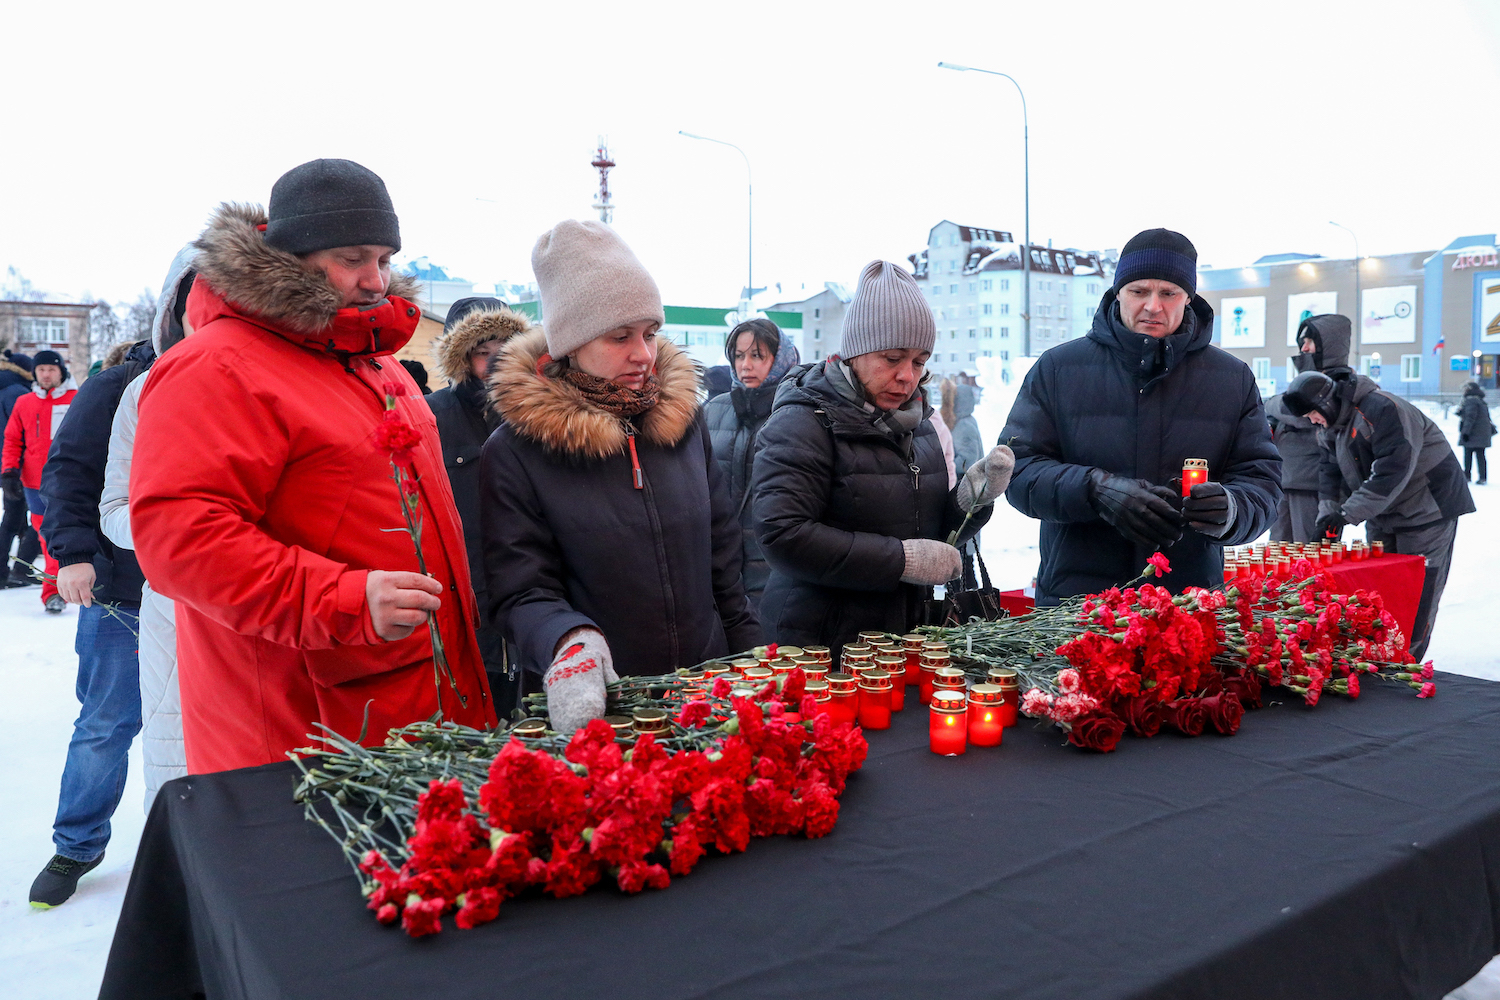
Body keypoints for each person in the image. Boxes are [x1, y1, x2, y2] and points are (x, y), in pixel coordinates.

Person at [130, 159, 494, 775]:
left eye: (383, 258)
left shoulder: (380, 367)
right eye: (353, 258)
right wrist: (342, 600)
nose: (376, 280)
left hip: (411, 704)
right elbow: (180, 539)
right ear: (292, 254)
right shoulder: (217, 367)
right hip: (306, 730)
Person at [481, 220, 759, 733]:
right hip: (602, 709)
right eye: (620, 336)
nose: (644, 354)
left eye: (650, 333)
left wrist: (751, 662)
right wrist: (570, 644)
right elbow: (520, 590)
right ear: (571, 342)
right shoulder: (518, 451)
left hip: (705, 692)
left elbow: (722, 558)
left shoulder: (683, 422)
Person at [1001, 229, 1281, 603]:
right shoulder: (1058, 368)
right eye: (1139, 291)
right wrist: (1095, 490)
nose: (1153, 306)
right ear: (1118, 293)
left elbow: (1261, 482)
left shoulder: (1232, 379)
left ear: (1188, 298)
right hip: (1076, 604)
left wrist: (1231, 508)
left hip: (1187, 608)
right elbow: (1017, 471)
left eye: (1168, 293)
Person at [26, 258, 186, 907]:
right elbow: (68, 468)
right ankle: (75, 845)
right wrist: (72, 554)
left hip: (197, 596)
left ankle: (198, 850)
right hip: (122, 589)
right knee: (108, 721)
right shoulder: (118, 384)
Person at [751, 260, 1008, 654]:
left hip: (903, 638)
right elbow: (783, 535)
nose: (908, 376)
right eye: (893, 358)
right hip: (819, 646)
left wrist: (969, 502)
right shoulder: (803, 421)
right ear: (855, 352)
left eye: (919, 362)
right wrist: (900, 560)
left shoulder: (920, 424)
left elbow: (928, 531)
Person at [98, 248, 199, 810]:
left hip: (278, 614)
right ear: (175, 312)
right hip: (175, 617)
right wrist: (182, 532)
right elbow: (113, 507)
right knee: (183, 784)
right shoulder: (143, 393)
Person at [1285, 369, 1474, 659]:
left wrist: (1346, 514)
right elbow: (1329, 474)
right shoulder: (1329, 426)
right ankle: (1382, 654)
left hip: (1427, 508)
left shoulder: (1382, 408)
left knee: (1418, 591)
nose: (1311, 421)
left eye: (1312, 413)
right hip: (1383, 511)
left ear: (1326, 403)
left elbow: (1393, 470)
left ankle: (1408, 661)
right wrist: (1328, 517)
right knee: (1384, 585)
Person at [426, 295, 532, 715]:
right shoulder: (432, 415)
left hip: (525, 578)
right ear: (460, 357)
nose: (492, 363)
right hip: (464, 588)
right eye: (481, 353)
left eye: (502, 351)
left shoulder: (530, 412)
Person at [704, 317, 801, 617]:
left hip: (777, 568)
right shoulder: (712, 411)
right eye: (739, 355)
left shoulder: (797, 412)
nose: (745, 365)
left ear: (780, 357)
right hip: (720, 566)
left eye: (757, 355)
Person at [2, 348, 77, 612]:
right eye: (41, 369)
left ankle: (83, 584)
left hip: (70, 480)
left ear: (61, 371)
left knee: (74, 534)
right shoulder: (25, 402)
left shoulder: (76, 399)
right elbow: (12, 439)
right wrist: (9, 471)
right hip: (34, 483)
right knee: (47, 538)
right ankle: (52, 592)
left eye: (51, 369)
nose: (46, 374)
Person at [0, 349, 41, 588]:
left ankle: (7, 571)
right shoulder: (18, 393)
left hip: (7, 464)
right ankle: (21, 569)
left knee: (12, 517)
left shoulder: (5, 387)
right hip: (19, 465)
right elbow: (24, 431)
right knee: (37, 516)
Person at [1265, 392, 1322, 542]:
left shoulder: (1319, 391)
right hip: (1292, 481)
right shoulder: (1317, 389)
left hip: (1305, 484)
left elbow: (1275, 406)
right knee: (1287, 547)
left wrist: (1274, 406)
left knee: (1302, 548)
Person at [1458, 380, 1494, 485]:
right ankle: (1482, 477)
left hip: (1473, 433)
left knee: (1468, 455)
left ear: (1469, 390)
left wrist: (1465, 433)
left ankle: (1467, 476)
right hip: (1482, 432)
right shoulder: (1480, 400)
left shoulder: (1470, 401)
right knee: (1480, 455)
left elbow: (1470, 418)